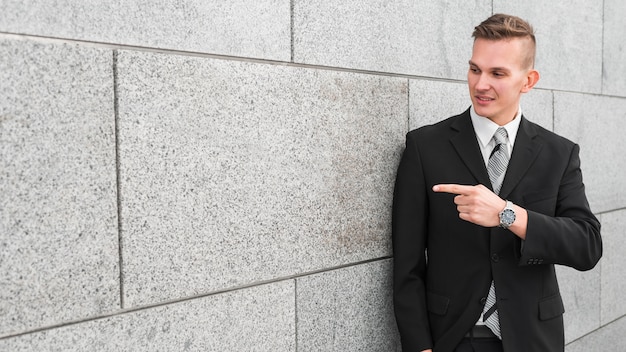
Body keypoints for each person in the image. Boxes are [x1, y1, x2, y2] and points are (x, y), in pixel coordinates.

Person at [392, 13, 602, 352]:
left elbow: (587, 245)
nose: (480, 84)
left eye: (497, 73)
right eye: (475, 69)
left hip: (534, 340)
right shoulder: (425, 147)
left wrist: (509, 214)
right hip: (455, 339)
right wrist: (419, 347)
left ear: (528, 80)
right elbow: (407, 265)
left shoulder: (558, 153)